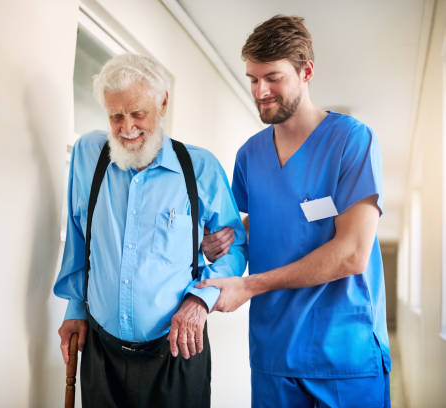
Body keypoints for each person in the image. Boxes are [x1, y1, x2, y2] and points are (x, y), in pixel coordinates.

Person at [198, 15, 391, 407]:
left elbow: (353, 254)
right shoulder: (250, 155)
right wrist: (220, 240)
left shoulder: (351, 141)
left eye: (273, 77)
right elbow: (267, 220)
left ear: (307, 72)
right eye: (252, 79)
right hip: (274, 353)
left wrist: (249, 285)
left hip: (344, 355)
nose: (260, 91)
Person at [53, 53, 246, 408]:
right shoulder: (88, 155)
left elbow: (234, 248)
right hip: (102, 350)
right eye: (116, 116)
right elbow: (80, 237)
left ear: (163, 103)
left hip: (177, 351)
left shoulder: (199, 167)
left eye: (137, 113)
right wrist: (75, 307)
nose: (126, 128)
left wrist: (200, 300)